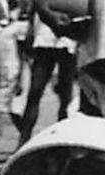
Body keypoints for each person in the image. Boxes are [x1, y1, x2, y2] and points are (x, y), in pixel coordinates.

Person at [15, 1, 76, 143]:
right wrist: (30, 32)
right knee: (35, 92)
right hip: (45, 34)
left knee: (65, 94)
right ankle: (23, 141)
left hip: (69, 33)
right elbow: (35, 6)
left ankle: (63, 142)